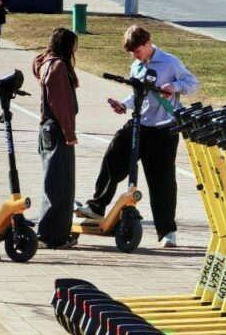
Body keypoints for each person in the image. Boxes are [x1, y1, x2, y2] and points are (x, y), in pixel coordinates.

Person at [75, 25, 199, 248]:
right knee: (113, 157)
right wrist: (124, 104)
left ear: (147, 44)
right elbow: (137, 95)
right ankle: (96, 207)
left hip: (163, 130)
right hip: (139, 125)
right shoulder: (136, 66)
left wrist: (175, 86)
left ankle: (167, 232)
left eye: (137, 51)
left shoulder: (170, 63)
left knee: (162, 182)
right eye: (131, 53)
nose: (134, 56)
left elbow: (193, 84)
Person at [32, 28, 80, 249]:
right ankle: (51, 235)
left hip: (47, 129)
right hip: (57, 130)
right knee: (61, 185)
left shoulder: (45, 62)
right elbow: (62, 105)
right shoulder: (58, 66)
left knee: (54, 182)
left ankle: (54, 233)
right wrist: (70, 134)